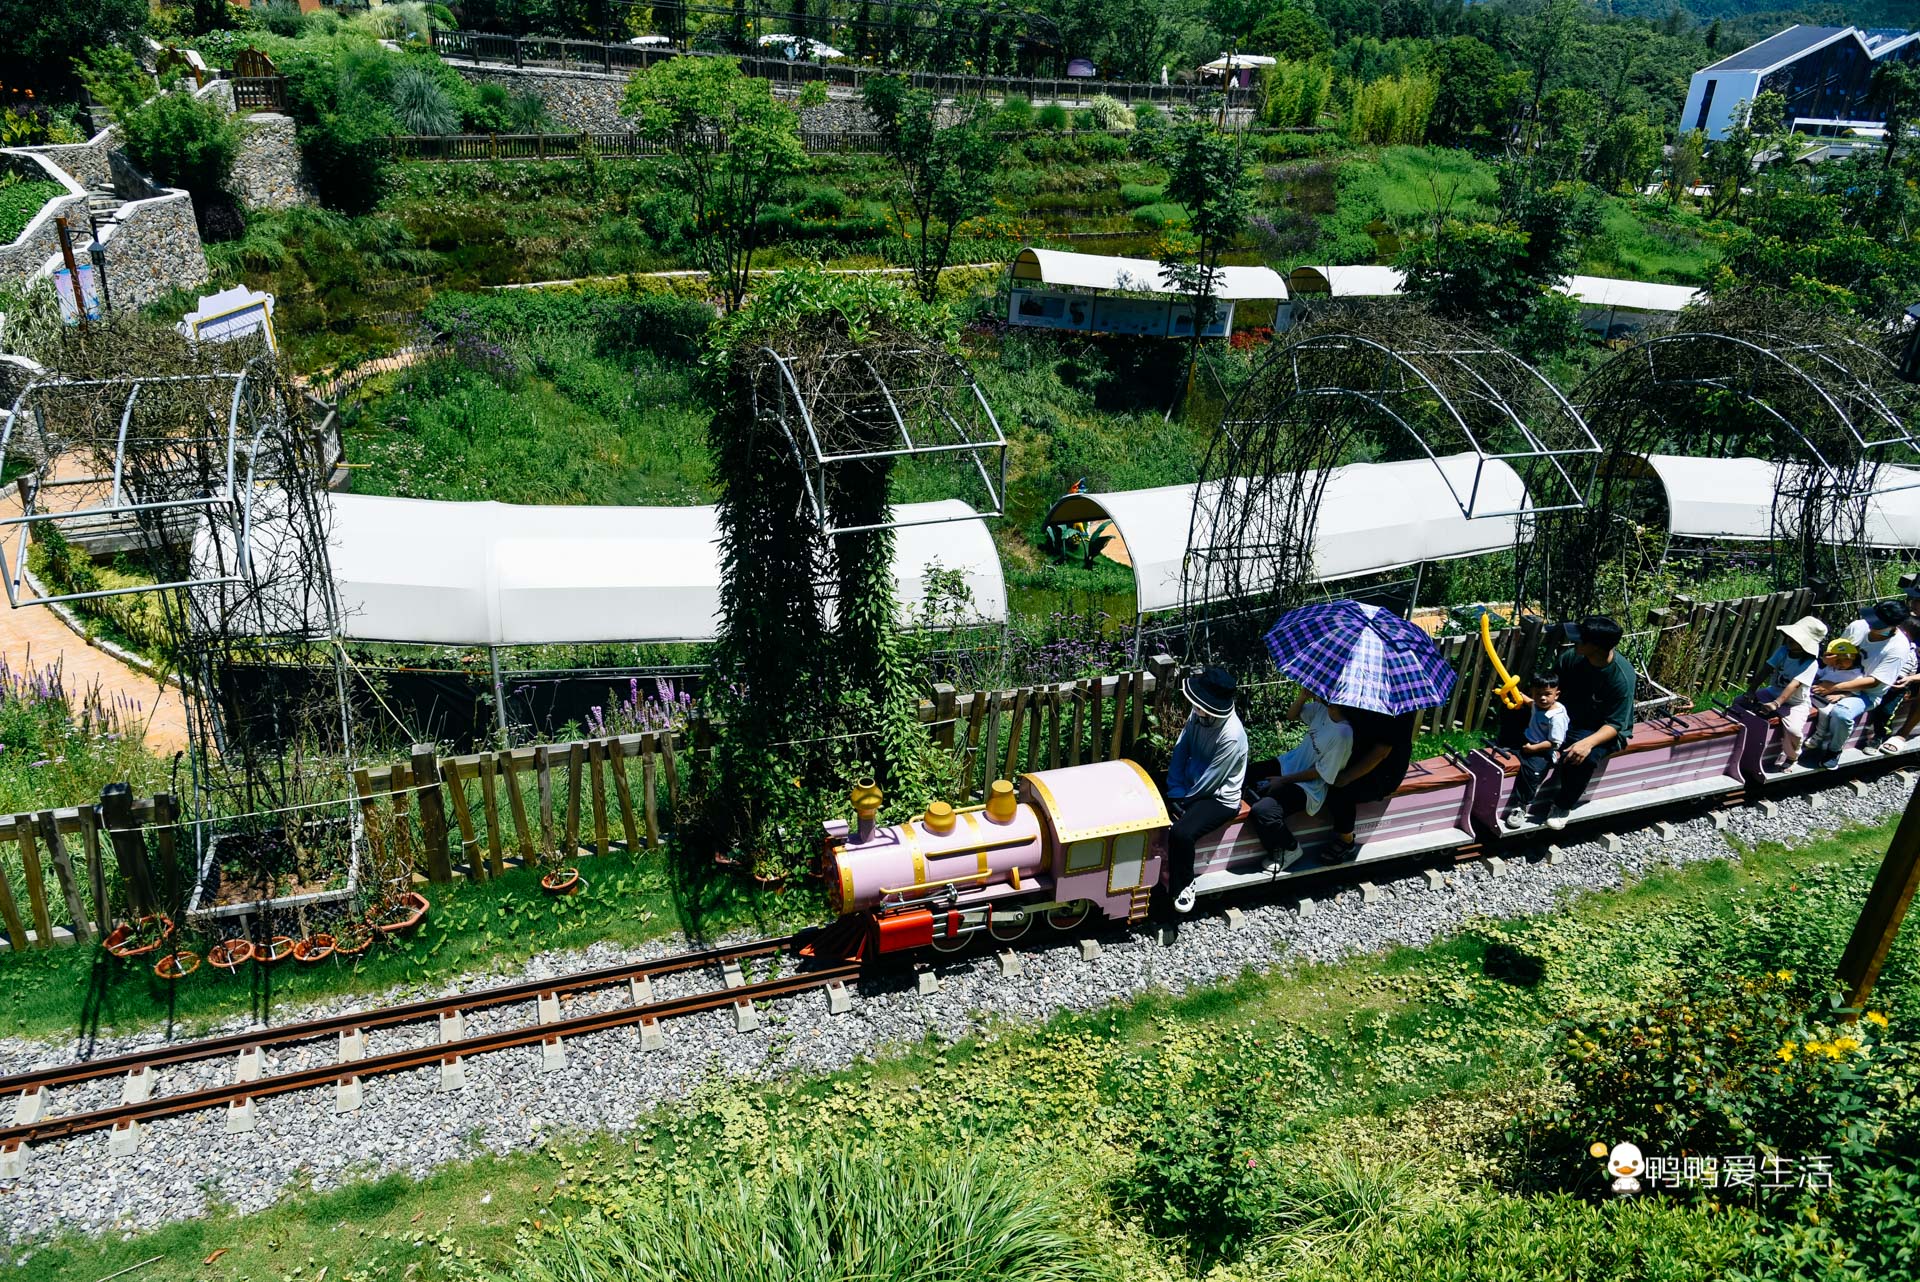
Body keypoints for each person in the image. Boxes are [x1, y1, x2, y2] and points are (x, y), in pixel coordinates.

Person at [1525, 615, 1636, 830]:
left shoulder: (1621, 677)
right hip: (1569, 718)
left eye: (1580, 639)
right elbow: (1552, 689)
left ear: (1595, 646)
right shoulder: (1571, 659)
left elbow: (1616, 724)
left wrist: (1588, 743)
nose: (1574, 642)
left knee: (1582, 756)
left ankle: (1562, 805)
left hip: (1601, 729)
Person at [1162, 666, 1249, 915]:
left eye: (1200, 704)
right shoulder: (1200, 712)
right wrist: (1175, 790)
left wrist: (1183, 802)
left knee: (1181, 832)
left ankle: (1185, 883)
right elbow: (1182, 748)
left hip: (1219, 796)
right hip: (1190, 785)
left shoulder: (1231, 735)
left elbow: (1213, 779)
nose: (1195, 707)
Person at [1247, 691, 1354, 873]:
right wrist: (1303, 696)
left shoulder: (1343, 734)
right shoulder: (1322, 710)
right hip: (1289, 764)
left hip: (1309, 786)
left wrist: (1283, 781)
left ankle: (1290, 848)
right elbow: (1291, 715)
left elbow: (1323, 773)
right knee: (1247, 773)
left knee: (1263, 811)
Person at [1803, 600, 1914, 768]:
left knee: (1842, 714)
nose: (1870, 624)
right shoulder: (1858, 627)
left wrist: (1835, 688)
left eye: (1877, 623)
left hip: (1866, 692)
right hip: (1837, 675)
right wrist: (1829, 659)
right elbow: (1838, 651)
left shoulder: (1898, 648)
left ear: (1893, 626)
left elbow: (1875, 682)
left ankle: (1834, 750)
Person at [1317, 703, 1418, 860]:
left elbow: (1380, 753)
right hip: (1358, 755)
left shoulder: (1398, 711)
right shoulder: (1362, 697)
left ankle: (1346, 840)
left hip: (1385, 772)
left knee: (1339, 790)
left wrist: (1347, 777)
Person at [1737, 614, 1828, 770]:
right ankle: (1740, 742)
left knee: (1793, 730)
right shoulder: (1783, 651)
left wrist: (1777, 703)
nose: (1790, 641)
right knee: (1739, 702)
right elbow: (1766, 669)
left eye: (1796, 639)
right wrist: (1751, 690)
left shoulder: (1810, 663)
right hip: (1773, 692)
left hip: (1794, 702)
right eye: (1790, 637)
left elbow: (1794, 685)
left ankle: (1792, 755)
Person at [1501, 674, 1569, 829]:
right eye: (1538, 694)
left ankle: (1522, 805)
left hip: (1542, 749)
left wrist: (1533, 749)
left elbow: (1555, 743)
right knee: (1502, 753)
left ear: (1556, 694)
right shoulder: (1537, 704)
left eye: (1547, 694)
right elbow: (1528, 701)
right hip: (1527, 740)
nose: (1542, 698)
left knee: (1533, 773)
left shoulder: (1556, 717)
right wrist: (1513, 690)